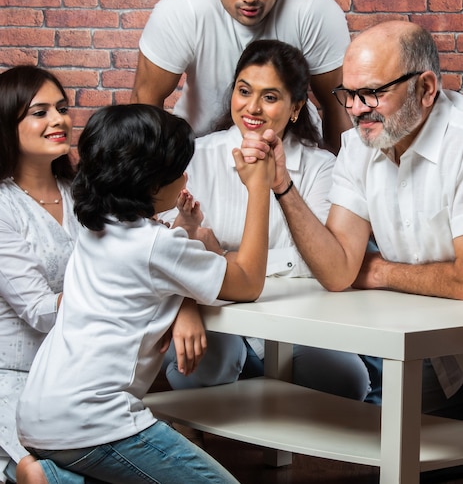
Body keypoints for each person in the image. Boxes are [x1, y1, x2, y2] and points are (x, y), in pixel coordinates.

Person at [16, 103, 275, 484]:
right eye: (177, 173)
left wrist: (185, 235)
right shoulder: (156, 246)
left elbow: (153, 271)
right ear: (150, 185)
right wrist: (259, 188)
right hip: (93, 422)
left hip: (40, 412)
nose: (186, 178)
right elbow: (249, 282)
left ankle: (54, 479)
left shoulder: (96, 225)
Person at [241, 20, 463, 416]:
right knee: (398, 460)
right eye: (349, 94)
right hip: (439, 356)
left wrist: (381, 273)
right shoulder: (359, 146)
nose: (357, 110)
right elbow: (339, 271)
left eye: (372, 93)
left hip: (443, 347)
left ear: (426, 89)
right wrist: (282, 186)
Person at [161, 39, 370, 401]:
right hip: (213, 313)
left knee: (351, 383)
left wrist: (225, 261)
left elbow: (321, 265)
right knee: (204, 370)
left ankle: (259, 396)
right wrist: (195, 297)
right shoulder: (197, 156)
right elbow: (164, 244)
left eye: (270, 97)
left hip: (292, 319)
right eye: (244, 91)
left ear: (295, 108)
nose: (252, 108)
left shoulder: (321, 167)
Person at [132, 0, 352, 152]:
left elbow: (338, 107)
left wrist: (338, 181)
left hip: (291, 153)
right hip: (199, 151)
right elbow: (145, 102)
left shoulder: (314, 10)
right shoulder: (181, 11)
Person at [0, 66, 80, 484]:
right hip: (16, 378)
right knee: (49, 474)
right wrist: (116, 293)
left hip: (78, 372)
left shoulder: (81, 193)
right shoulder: (2, 207)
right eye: (39, 112)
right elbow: (38, 310)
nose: (58, 120)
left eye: (62, 109)